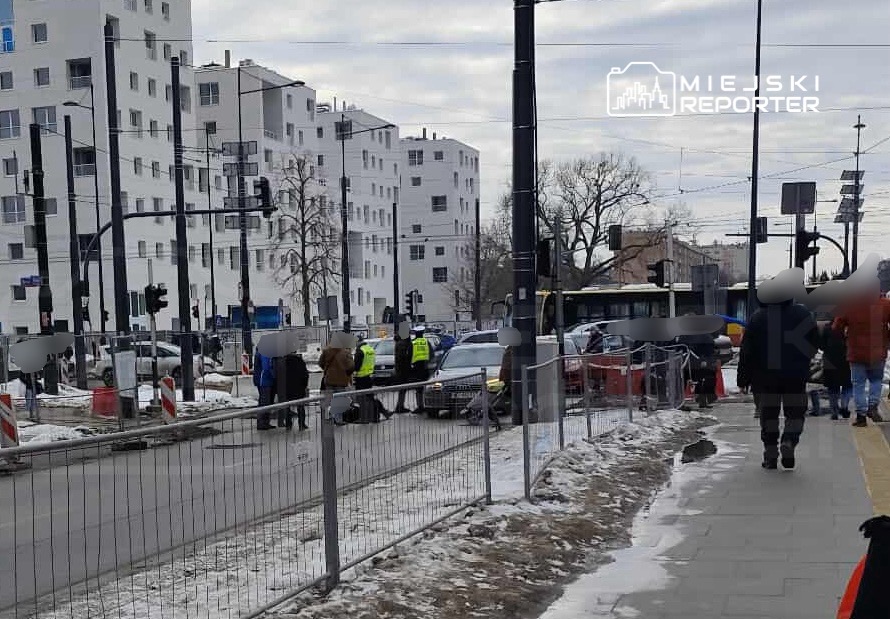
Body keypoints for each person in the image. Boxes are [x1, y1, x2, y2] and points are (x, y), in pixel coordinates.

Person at [737, 296, 819, 469]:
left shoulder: (757, 317)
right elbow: (814, 343)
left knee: (768, 417)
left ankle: (770, 455)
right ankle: (789, 441)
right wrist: (803, 360)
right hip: (795, 377)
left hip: (764, 379)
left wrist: (743, 379)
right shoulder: (803, 314)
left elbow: (747, 352)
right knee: (795, 414)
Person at [832, 288, 890, 427]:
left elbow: (836, 327)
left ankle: (861, 416)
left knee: (858, 385)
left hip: (856, 353)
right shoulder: (886, 304)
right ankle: (873, 406)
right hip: (878, 352)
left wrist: (845, 336)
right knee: (876, 380)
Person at [676, 327, 717, 409]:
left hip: (686, 362)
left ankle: (680, 402)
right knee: (702, 380)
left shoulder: (684, 334)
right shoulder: (704, 334)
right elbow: (710, 348)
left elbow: (678, 348)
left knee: (682, 381)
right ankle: (702, 400)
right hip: (699, 362)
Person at [819, 319, 852, 421]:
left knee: (832, 387)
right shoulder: (849, 328)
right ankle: (844, 405)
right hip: (847, 359)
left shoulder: (827, 328)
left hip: (830, 360)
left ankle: (834, 411)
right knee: (848, 385)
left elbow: (822, 345)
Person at [319, 339, 355, 425]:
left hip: (329, 380)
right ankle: (338, 420)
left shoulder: (326, 351)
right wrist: (346, 374)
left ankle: (328, 419)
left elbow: (320, 363)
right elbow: (351, 367)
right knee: (339, 400)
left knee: (328, 400)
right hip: (341, 381)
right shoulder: (346, 353)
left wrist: (327, 371)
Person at [275, 352, 310, 430]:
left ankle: (288, 424)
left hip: (286, 387)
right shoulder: (299, 361)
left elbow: (278, 375)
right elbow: (305, 374)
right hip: (299, 387)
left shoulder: (283, 361)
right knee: (300, 406)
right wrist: (304, 385)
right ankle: (301, 424)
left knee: (287, 406)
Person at [353, 337, 377, 423]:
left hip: (361, 377)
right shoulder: (370, 349)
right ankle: (372, 417)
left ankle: (363, 418)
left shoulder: (360, 351)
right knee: (369, 398)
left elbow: (356, 366)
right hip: (369, 376)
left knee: (361, 399)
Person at [409, 327, 433, 414]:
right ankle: (426, 405)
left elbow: (409, 355)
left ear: (415, 333)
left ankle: (420, 406)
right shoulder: (427, 342)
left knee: (418, 388)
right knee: (425, 387)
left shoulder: (413, 343)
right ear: (423, 333)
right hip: (425, 367)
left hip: (416, 368)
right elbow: (432, 354)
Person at [253, 349, 276, 430]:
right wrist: (274, 375)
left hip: (263, 380)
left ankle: (264, 422)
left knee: (265, 401)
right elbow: (266, 367)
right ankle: (262, 422)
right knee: (265, 402)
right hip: (264, 380)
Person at [394, 333, 413, 414]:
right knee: (402, 388)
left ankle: (400, 406)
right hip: (402, 370)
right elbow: (403, 357)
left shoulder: (400, 343)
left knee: (403, 389)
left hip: (400, 369)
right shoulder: (403, 344)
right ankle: (399, 406)